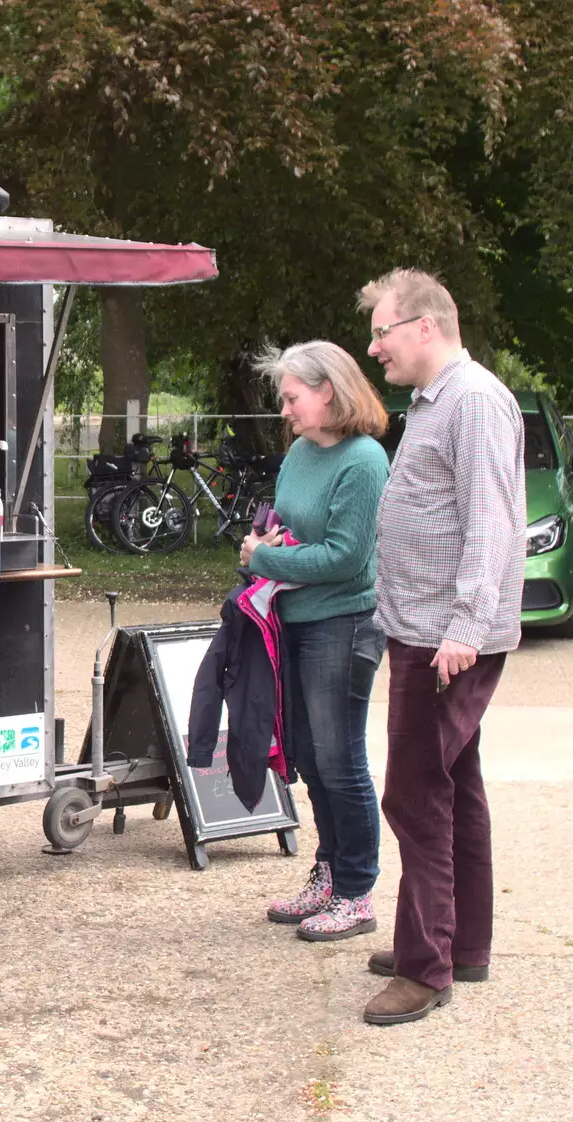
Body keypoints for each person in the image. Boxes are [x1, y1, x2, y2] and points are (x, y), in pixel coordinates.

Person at [357, 268, 525, 1025]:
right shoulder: (434, 403)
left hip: (443, 640)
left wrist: (464, 625)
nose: (374, 346)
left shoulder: (476, 400)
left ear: (424, 326)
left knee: (415, 792)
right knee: (457, 784)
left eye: (382, 331)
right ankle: (461, 942)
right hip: (424, 630)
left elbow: (489, 523)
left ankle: (427, 967)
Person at [240, 341, 391, 943]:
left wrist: (268, 557)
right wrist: (267, 542)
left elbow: (349, 558)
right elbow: (289, 528)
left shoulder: (365, 461)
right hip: (295, 620)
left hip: (345, 622)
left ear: (328, 391)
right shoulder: (300, 453)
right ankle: (327, 875)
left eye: (292, 397)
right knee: (310, 755)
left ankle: (356, 891)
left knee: (340, 757)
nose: (285, 409)